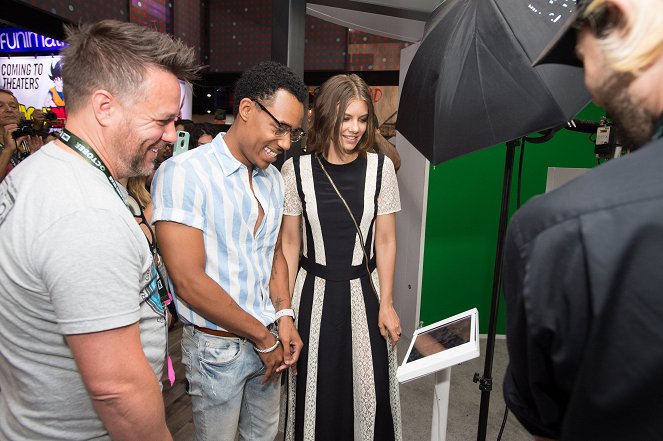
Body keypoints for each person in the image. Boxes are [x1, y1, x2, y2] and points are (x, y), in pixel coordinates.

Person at [0, 20, 200, 441]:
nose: (171, 135)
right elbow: (117, 391)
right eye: (163, 120)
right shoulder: (84, 211)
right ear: (104, 107)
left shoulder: (46, 170)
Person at [502, 1, 663, 440]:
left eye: (584, 58)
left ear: (617, 23)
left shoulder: (551, 231)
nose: (593, 91)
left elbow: (544, 418)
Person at [151, 61, 306, 441]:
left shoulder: (271, 179)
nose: (286, 143)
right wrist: (263, 337)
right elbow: (188, 281)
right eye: (279, 128)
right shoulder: (185, 173)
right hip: (216, 349)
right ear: (248, 109)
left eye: (293, 132)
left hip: (266, 337)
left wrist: (284, 316)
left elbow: (273, 255)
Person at [281, 73, 403, 441]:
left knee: (369, 389)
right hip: (311, 296)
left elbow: (386, 240)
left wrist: (388, 303)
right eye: (346, 118)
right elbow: (288, 245)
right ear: (325, 115)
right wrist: (284, 312)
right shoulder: (295, 170)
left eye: (362, 119)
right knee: (314, 393)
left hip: (365, 294)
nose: (354, 128)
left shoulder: (381, 170)